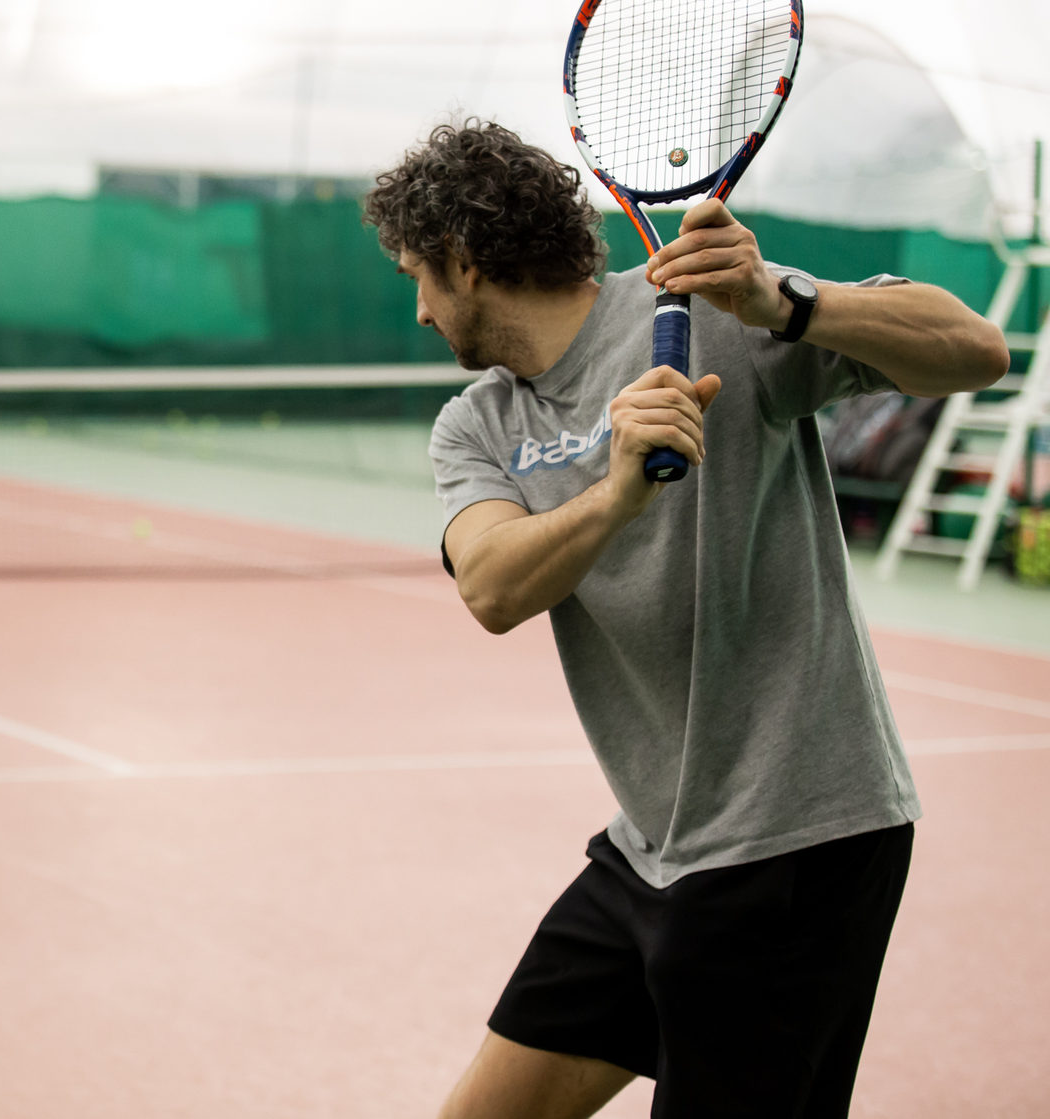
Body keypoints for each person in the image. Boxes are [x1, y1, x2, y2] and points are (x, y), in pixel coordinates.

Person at [364, 120, 1009, 1119]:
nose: (417, 310)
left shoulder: (714, 312)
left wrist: (785, 303)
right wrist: (616, 495)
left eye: (419, 276)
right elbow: (491, 588)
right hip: (653, 846)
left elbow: (976, 351)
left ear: (464, 259)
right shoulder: (482, 423)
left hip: (795, 842)